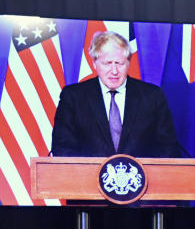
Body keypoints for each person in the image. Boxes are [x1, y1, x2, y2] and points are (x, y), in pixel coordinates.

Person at [51, 30, 183, 158]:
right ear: (94, 63)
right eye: (107, 63)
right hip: (87, 179)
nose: (114, 71)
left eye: (119, 63)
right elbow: (62, 147)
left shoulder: (152, 96)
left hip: (142, 178)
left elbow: (167, 147)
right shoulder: (73, 97)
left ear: (128, 63)